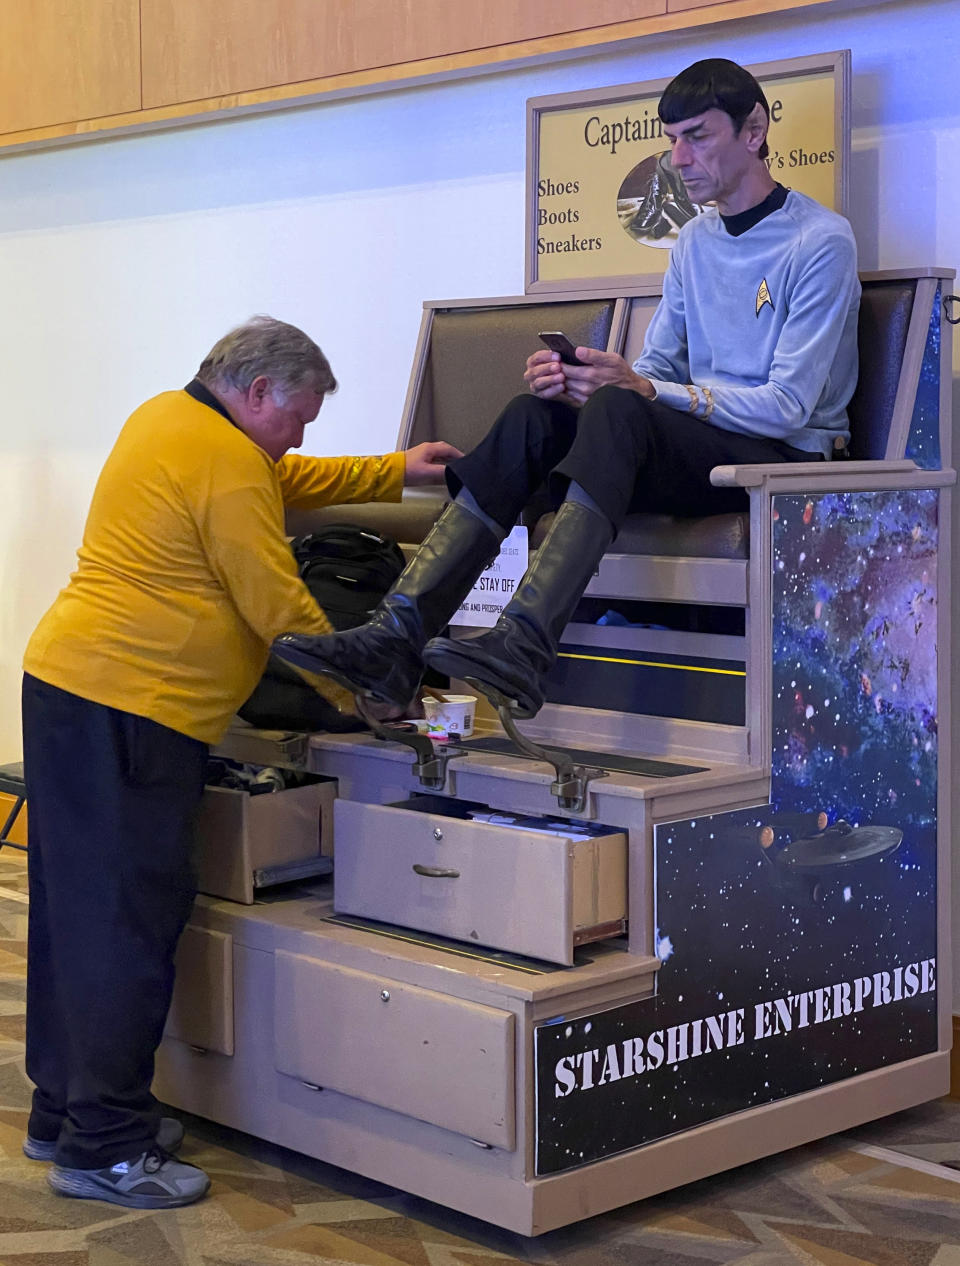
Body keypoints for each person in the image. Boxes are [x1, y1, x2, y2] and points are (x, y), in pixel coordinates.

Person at [21, 315, 459, 1209]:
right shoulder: (224, 459)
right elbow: (279, 604)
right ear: (256, 392)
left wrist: (398, 467)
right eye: (297, 414)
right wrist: (368, 698)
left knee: (74, 915)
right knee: (127, 927)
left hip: (71, 687)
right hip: (132, 712)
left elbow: (284, 477)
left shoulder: (174, 419)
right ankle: (105, 1147)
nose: (302, 437)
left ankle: (65, 1112)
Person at [272, 57, 860, 721]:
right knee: (535, 413)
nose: (680, 157)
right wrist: (582, 376)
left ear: (753, 131)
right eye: (671, 140)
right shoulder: (695, 240)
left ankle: (523, 640)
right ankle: (396, 635)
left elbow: (789, 406)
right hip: (709, 445)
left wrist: (638, 389)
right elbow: (659, 367)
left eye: (697, 136)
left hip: (782, 459)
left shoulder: (819, 241)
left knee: (619, 405)